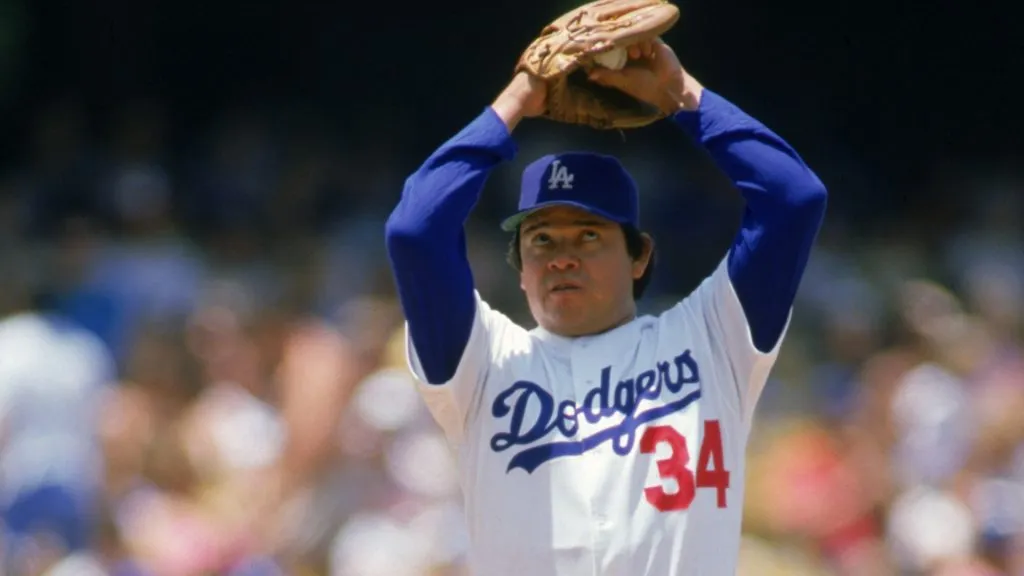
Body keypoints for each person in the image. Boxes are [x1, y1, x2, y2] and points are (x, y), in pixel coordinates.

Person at [384, 37, 827, 576]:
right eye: (541, 240)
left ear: (640, 256)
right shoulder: (483, 364)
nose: (562, 257)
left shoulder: (712, 338)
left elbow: (793, 198)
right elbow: (415, 230)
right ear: (520, 269)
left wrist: (681, 95)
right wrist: (516, 100)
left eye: (588, 235)